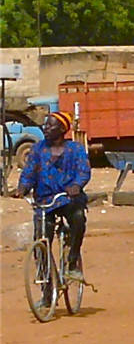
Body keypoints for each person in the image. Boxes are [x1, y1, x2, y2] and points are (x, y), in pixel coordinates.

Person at [13, 110, 92, 278]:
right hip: (45, 202)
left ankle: (73, 262)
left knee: (78, 219)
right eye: (45, 124)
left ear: (62, 129)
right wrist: (22, 187)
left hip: (68, 199)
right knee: (41, 239)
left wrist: (76, 185)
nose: (46, 128)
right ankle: (46, 284)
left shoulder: (75, 149)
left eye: (50, 125)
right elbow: (29, 172)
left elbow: (83, 171)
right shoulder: (37, 149)